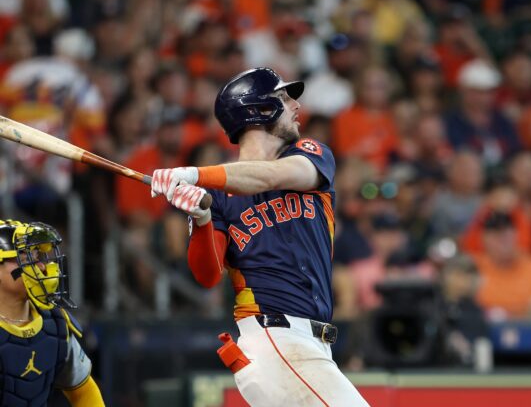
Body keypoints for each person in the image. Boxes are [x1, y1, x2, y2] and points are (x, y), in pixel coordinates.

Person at [149, 67, 368, 406]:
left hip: (311, 345)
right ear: (258, 110)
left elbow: (269, 177)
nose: (296, 105)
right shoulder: (217, 195)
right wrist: (201, 216)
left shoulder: (310, 153)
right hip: (274, 339)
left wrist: (195, 174)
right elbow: (207, 276)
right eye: (283, 97)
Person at [0, 220, 104, 406]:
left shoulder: (55, 324)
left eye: (37, 256)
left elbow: (84, 391)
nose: (40, 267)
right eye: (24, 258)